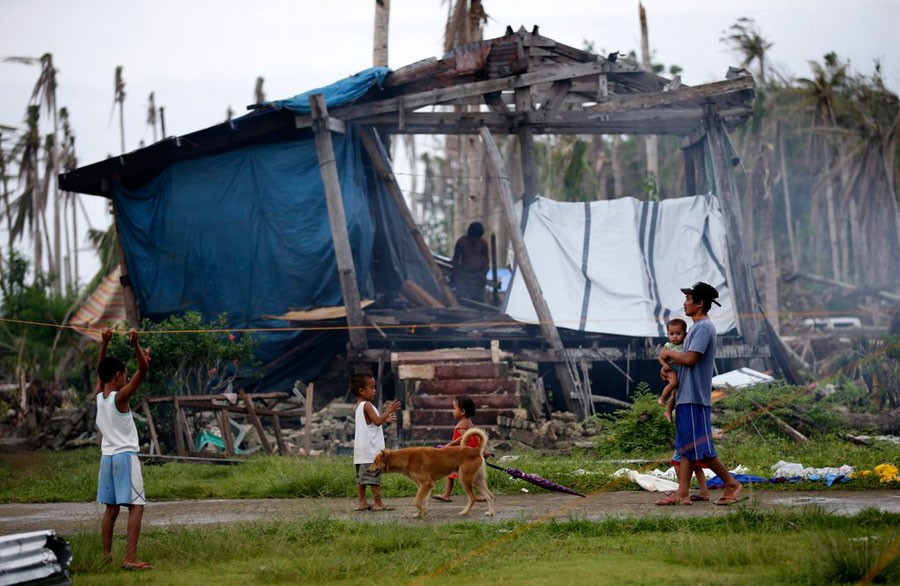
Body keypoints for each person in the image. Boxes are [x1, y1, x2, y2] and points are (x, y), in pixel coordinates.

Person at [655, 282, 743, 507]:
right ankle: (682, 493)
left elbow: (691, 359)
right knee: (686, 448)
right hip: (686, 395)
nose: (685, 303)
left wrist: (668, 354)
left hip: (695, 397)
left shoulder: (704, 328)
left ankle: (731, 484)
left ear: (700, 303)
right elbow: (685, 362)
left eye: (688, 299)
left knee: (702, 450)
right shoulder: (694, 328)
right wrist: (671, 370)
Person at [94, 327, 151, 570]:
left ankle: (106, 556)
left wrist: (104, 343)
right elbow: (144, 370)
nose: (127, 379)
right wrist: (135, 345)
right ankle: (130, 557)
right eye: (125, 375)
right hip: (125, 458)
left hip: (107, 458)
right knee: (137, 507)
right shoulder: (120, 397)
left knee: (112, 508)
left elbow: (100, 372)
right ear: (117, 376)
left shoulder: (99, 397)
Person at [352, 372, 401, 512]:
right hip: (370, 450)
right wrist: (388, 410)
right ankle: (378, 503)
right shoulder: (367, 405)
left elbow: (371, 423)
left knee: (361, 479)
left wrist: (384, 418)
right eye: (372, 387)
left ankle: (362, 502)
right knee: (374, 477)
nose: (374, 390)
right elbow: (377, 421)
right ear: (362, 390)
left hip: (361, 450)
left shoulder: (359, 405)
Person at [432, 395, 481, 502]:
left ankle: (446, 494)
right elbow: (477, 435)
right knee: (475, 475)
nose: (453, 411)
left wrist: (450, 445)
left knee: (450, 474)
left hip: (461, 455)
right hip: (471, 453)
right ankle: (482, 493)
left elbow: (465, 436)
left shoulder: (461, 425)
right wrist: (483, 448)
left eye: (454, 408)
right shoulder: (469, 422)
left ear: (462, 411)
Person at [657, 318, 687, 423]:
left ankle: (668, 412)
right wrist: (665, 365)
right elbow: (660, 357)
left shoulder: (685, 345)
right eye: (671, 334)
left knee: (674, 394)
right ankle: (662, 398)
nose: (675, 336)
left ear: (685, 334)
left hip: (680, 370)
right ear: (668, 334)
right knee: (674, 383)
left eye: (678, 333)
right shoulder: (668, 346)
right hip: (671, 368)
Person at [451, 221, 490, 302]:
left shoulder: (483, 244)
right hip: (464, 276)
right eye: (473, 238)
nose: (474, 240)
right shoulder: (461, 242)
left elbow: (486, 260)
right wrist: (456, 275)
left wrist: (483, 274)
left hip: (478, 276)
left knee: (479, 301)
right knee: (462, 299)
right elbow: (456, 259)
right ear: (469, 234)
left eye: (477, 238)